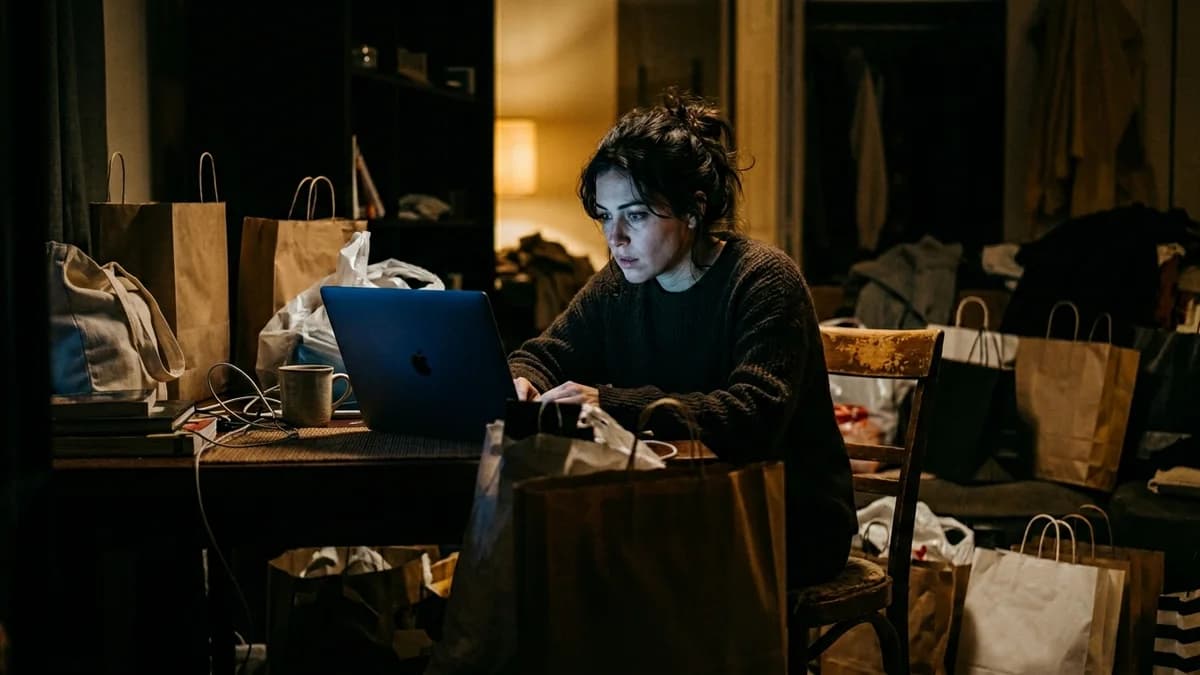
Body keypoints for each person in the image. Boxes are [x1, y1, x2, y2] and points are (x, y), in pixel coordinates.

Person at [506, 90, 855, 587]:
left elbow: (753, 416)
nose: (615, 238)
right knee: (547, 546)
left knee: (592, 566)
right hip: (679, 504)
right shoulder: (618, 284)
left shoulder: (763, 279)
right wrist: (521, 380)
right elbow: (545, 354)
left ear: (693, 210)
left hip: (787, 518)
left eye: (636, 215)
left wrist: (610, 404)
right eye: (605, 215)